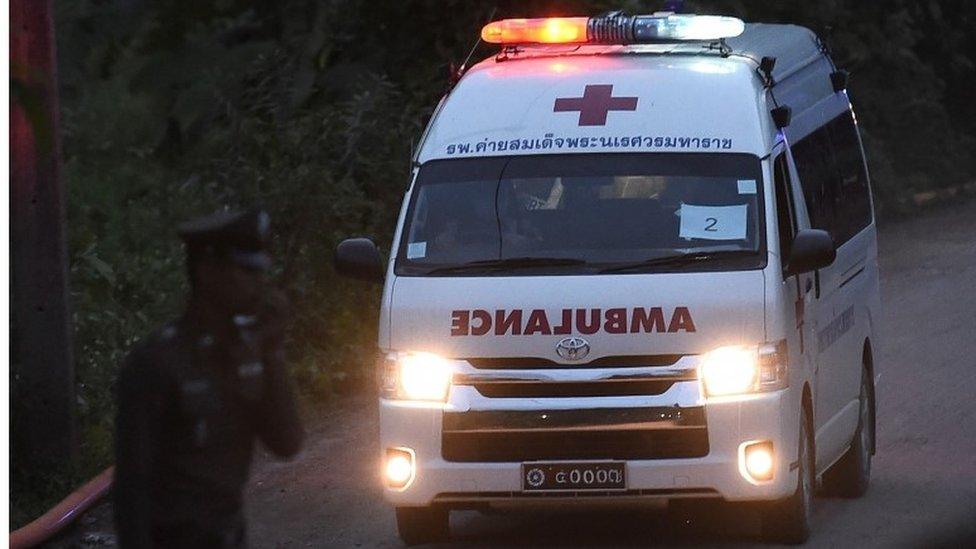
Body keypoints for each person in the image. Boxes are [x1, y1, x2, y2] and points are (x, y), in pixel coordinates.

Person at [114, 208, 304, 548]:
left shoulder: (245, 354)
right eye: (245, 270)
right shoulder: (157, 362)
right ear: (207, 271)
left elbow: (287, 442)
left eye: (258, 270)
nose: (258, 282)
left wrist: (272, 351)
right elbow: (132, 486)